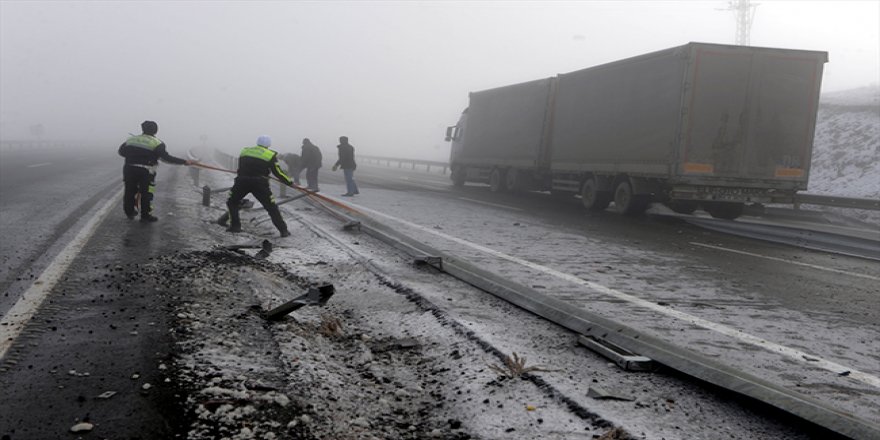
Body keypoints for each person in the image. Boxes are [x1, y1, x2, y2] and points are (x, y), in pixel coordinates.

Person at [118, 120, 192, 222]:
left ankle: (129, 212)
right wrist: (184, 162)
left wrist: (133, 156)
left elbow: (121, 152)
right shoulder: (157, 143)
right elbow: (166, 158)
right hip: (146, 171)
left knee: (129, 191)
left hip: (129, 168)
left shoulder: (131, 139)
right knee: (147, 193)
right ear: (156, 131)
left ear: (142, 129)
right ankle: (145, 216)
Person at [225, 135, 293, 237]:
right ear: (268, 145)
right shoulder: (270, 155)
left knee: (232, 202)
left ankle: (235, 226)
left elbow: (240, 167)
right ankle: (283, 231)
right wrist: (289, 182)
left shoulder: (245, 151)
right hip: (259, 184)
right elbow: (278, 172)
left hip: (242, 181)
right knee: (271, 207)